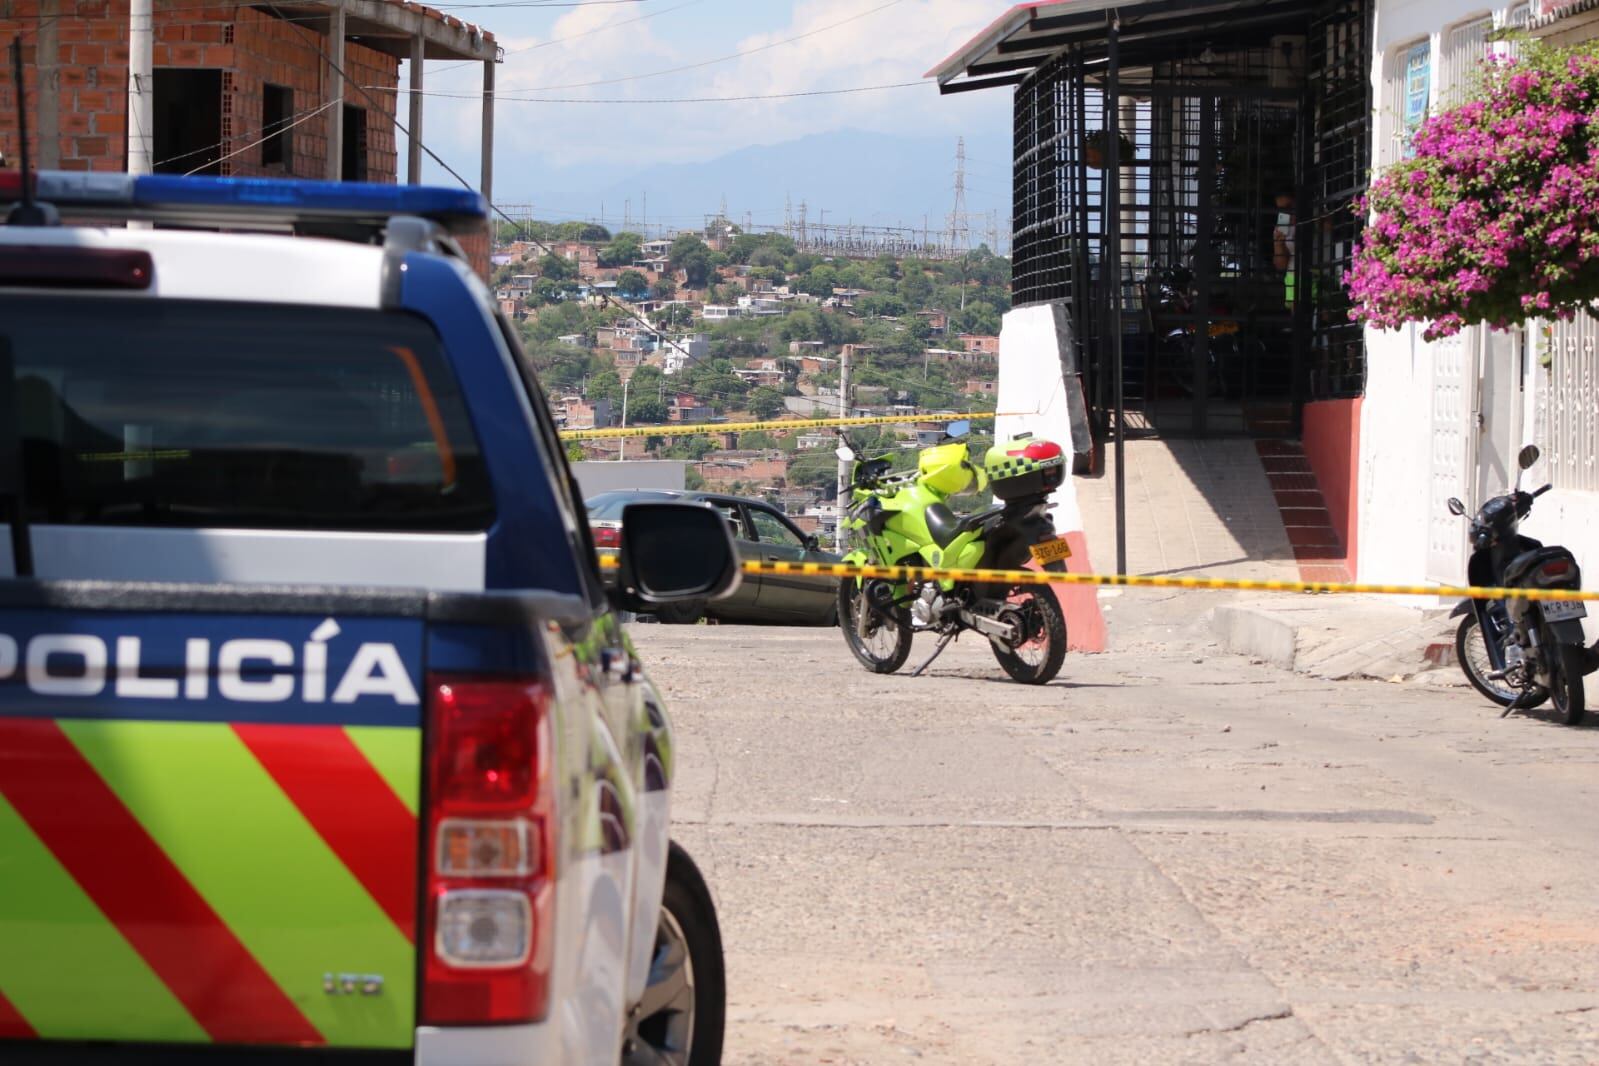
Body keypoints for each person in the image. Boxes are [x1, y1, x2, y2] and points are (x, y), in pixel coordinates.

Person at [1273, 191, 1296, 309]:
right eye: (1281, 209)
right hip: (1294, 277)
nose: (1286, 212)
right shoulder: (1281, 226)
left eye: (1289, 207)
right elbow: (1281, 266)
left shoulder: (1315, 213)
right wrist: (1278, 245)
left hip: (1320, 271)